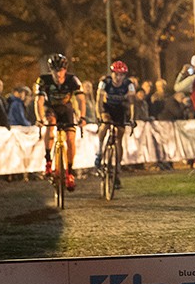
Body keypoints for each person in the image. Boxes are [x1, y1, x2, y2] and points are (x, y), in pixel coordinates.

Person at [35, 53, 86, 190]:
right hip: (50, 108)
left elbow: (81, 100)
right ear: (50, 70)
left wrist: (82, 117)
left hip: (66, 109)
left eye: (61, 70)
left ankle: (69, 171)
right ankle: (48, 161)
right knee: (50, 125)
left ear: (65, 69)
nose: (58, 74)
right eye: (55, 70)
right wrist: (39, 119)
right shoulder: (43, 80)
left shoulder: (73, 80)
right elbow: (39, 101)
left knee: (70, 139)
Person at [95, 60, 136, 190]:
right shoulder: (105, 82)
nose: (118, 78)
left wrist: (132, 118)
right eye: (116, 74)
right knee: (105, 125)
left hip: (120, 110)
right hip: (107, 108)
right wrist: (98, 115)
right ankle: (99, 151)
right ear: (112, 73)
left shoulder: (129, 85)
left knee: (119, 138)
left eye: (121, 75)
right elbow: (98, 101)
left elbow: (132, 103)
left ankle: (117, 169)